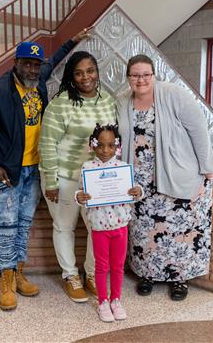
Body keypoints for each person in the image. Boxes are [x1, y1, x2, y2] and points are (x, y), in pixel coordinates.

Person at [0, 28, 91, 311]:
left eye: (37, 64)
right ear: (16, 63)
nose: (33, 68)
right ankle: (6, 278)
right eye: (28, 63)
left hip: (34, 170)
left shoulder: (37, 82)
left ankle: (18, 270)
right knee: (8, 223)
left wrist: (73, 40)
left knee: (24, 223)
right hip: (8, 172)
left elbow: (53, 60)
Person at [116, 54, 213, 301]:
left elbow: (198, 129)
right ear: (128, 77)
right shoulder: (122, 101)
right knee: (143, 230)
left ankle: (179, 279)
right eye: (135, 75)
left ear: (154, 75)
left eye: (146, 74)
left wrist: (207, 167)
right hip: (139, 181)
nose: (141, 80)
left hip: (175, 173)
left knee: (179, 229)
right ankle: (147, 274)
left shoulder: (173, 94)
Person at [38, 51, 116, 303]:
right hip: (64, 176)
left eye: (90, 70)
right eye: (79, 72)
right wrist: (51, 180)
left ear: (97, 72)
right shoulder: (60, 104)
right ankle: (70, 275)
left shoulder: (107, 100)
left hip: (96, 179)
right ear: (72, 77)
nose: (86, 77)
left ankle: (91, 274)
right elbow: (47, 143)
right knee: (64, 226)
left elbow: (113, 139)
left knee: (97, 227)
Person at [75, 123, 143, 322]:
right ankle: (103, 302)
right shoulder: (88, 168)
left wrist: (138, 191)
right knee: (101, 266)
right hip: (98, 227)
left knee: (118, 266)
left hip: (121, 226)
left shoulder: (122, 168)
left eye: (111, 145)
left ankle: (116, 300)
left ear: (117, 146)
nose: (106, 150)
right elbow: (80, 191)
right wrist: (79, 196)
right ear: (93, 145)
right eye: (101, 145)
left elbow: (134, 189)